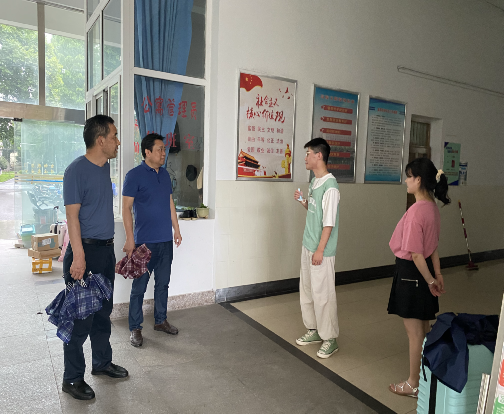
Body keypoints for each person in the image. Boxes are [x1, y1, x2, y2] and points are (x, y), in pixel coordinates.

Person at [62, 115, 128, 401]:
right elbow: (72, 217)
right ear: (100, 140)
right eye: (114, 136)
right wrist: (79, 257)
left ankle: (102, 362)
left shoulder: (104, 167)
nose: (118, 142)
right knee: (80, 318)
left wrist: (107, 252)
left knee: (102, 313)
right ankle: (72, 378)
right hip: (84, 253)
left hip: (104, 252)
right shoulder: (76, 170)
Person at [388, 158, 450, 398]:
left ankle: (413, 384)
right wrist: (437, 275)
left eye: (409, 176)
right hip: (425, 272)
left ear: (419, 180)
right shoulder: (432, 208)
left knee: (414, 333)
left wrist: (430, 280)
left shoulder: (416, 211)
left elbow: (415, 253)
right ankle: (423, 378)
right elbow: (433, 248)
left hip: (413, 274)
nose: (406, 181)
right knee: (423, 329)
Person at [122, 133, 182, 348]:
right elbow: (126, 208)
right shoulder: (134, 175)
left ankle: (160, 320)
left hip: (165, 240)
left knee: (163, 284)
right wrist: (130, 239)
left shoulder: (165, 175)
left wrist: (176, 229)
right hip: (144, 243)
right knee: (139, 287)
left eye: (164, 149)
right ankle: (135, 328)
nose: (163, 153)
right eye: (159, 149)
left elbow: (170, 202)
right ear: (147, 152)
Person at [293, 138, 340, 359]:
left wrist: (320, 250)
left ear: (319, 156)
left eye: (308, 153)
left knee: (323, 295)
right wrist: (303, 201)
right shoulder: (314, 182)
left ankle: (330, 338)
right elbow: (315, 211)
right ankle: (314, 329)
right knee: (308, 291)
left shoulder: (331, 187)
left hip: (321, 250)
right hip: (308, 244)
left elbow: (328, 223)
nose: (305, 157)